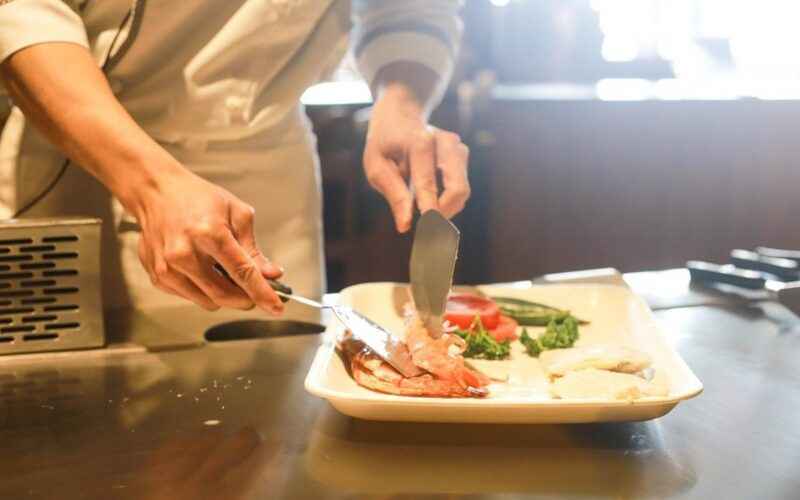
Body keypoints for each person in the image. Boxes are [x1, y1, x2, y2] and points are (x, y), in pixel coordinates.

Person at [0, 0, 470, 315]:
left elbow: (410, 7)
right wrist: (152, 187)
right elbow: (24, 13)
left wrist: (402, 105)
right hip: (87, 152)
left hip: (268, 168)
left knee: (280, 422)